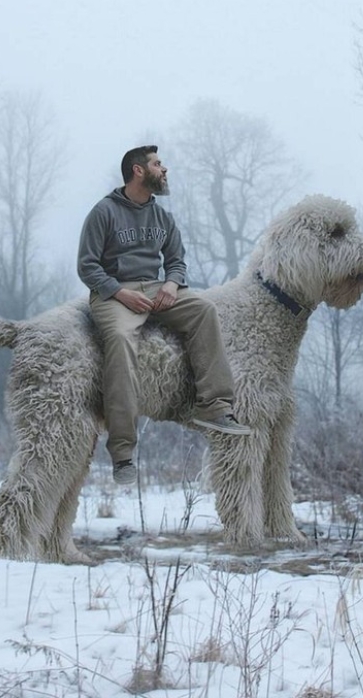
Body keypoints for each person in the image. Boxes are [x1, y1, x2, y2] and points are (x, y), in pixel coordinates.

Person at [78, 145, 251, 485]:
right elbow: (87, 266)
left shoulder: (162, 217)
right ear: (138, 171)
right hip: (115, 293)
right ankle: (123, 452)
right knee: (120, 341)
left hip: (158, 289)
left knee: (204, 311)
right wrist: (119, 291)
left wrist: (172, 284)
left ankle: (215, 408)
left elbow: (176, 260)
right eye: (158, 164)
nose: (165, 169)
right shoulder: (104, 212)